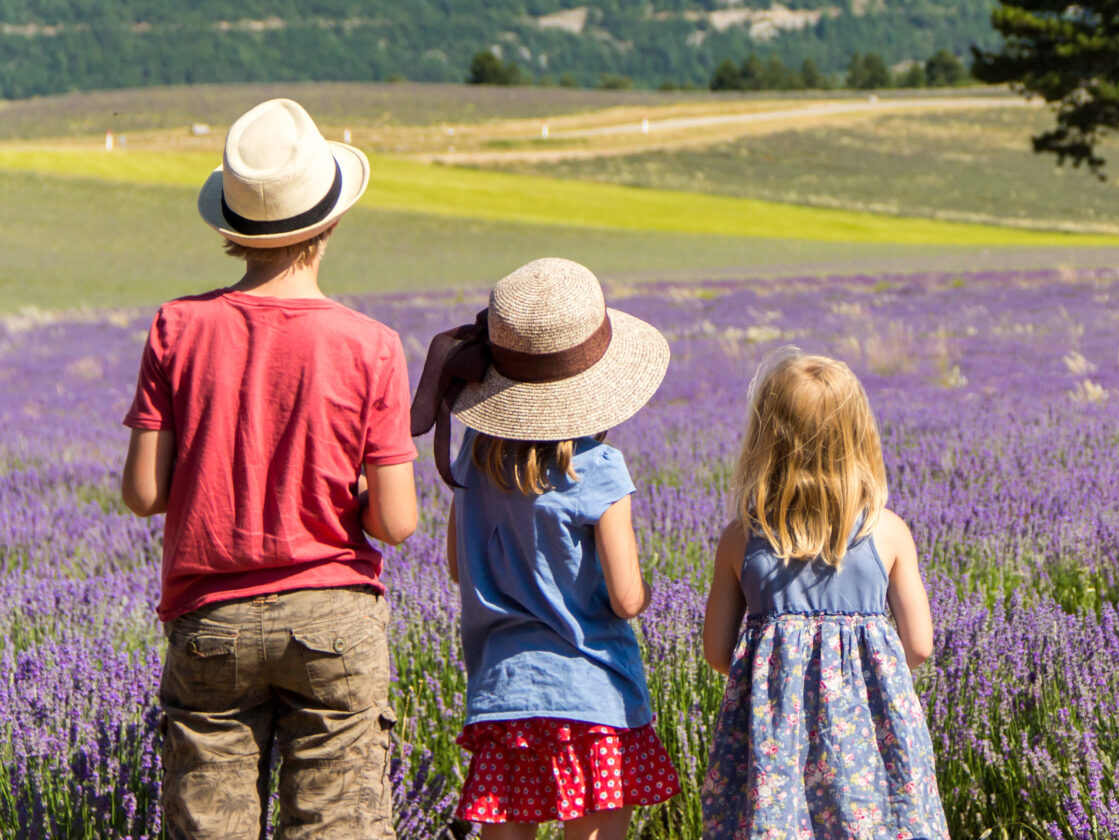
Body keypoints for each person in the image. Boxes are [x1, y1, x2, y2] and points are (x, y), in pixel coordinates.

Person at [120, 98, 420, 840]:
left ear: (234, 229)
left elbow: (143, 493)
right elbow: (398, 522)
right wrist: (345, 494)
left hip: (210, 618)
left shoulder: (175, 327)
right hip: (332, 616)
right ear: (328, 225)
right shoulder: (371, 345)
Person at [412, 257, 680, 840]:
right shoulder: (600, 470)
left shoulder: (473, 462)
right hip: (593, 694)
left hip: (503, 693)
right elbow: (627, 597)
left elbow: (459, 569)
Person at [699, 350, 947, 840]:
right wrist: (860, 679)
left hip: (777, 741)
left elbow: (716, 652)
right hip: (871, 739)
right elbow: (919, 645)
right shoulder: (888, 533)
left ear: (765, 442)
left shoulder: (741, 538)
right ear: (859, 437)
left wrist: (783, 677)